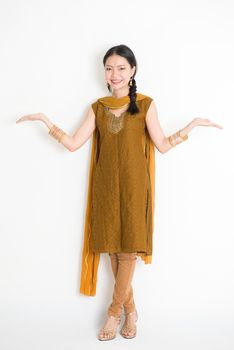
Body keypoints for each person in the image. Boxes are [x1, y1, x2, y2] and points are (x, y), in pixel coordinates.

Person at [16, 44, 223, 341]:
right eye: (110, 68)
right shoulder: (97, 107)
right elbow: (74, 143)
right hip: (105, 187)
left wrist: (190, 126)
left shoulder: (147, 104)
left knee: (128, 250)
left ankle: (114, 313)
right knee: (112, 248)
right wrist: (45, 121)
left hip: (135, 187)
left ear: (133, 71)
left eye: (121, 68)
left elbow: (162, 145)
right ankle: (132, 310)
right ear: (104, 72)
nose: (115, 74)